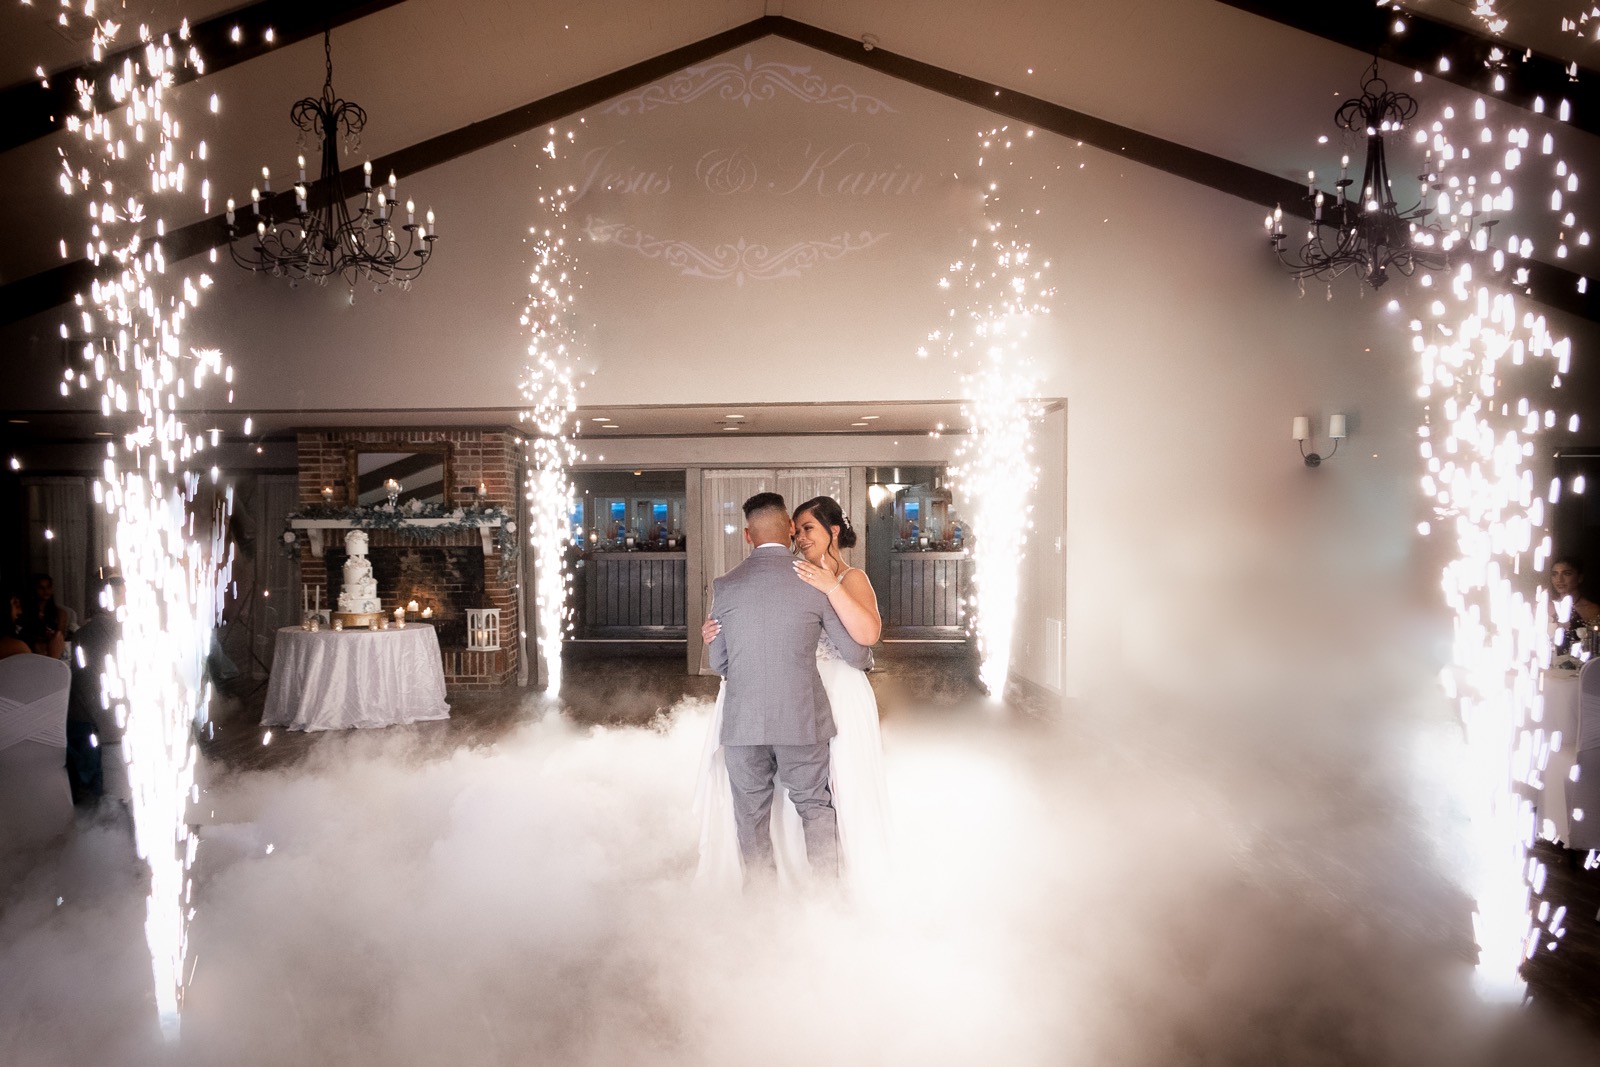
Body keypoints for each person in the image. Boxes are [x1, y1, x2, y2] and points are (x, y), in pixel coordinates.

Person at [695, 493, 891, 896]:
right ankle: (825, 897)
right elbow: (857, 652)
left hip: (744, 719)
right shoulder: (811, 581)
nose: (801, 537)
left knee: (750, 813)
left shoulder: (726, 586)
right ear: (787, 530)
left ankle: (761, 901)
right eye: (797, 528)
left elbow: (720, 663)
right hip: (802, 715)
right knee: (814, 806)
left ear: (748, 535)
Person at [21, 573, 70, 660]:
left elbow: (59, 636)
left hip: (53, 653)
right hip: (31, 654)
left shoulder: (60, 613)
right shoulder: (24, 613)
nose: (45, 591)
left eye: (48, 587)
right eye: (41, 588)